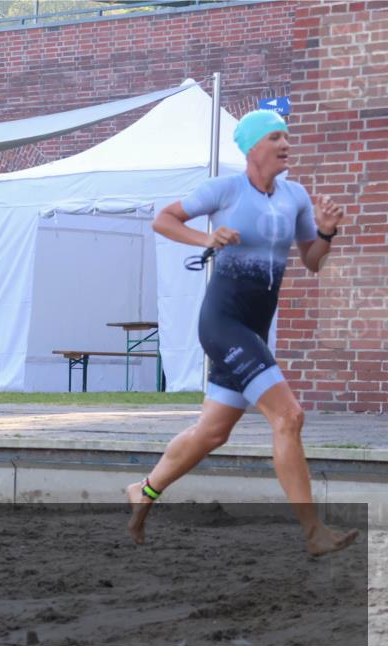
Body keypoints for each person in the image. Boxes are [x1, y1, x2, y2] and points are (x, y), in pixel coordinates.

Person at [127, 110, 359, 556]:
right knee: (289, 417)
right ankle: (314, 534)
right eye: (276, 136)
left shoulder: (295, 196)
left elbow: (312, 260)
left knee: (212, 433)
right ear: (253, 147)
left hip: (253, 328)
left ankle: (144, 490)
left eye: (287, 136)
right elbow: (165, 219)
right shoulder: (226, 188)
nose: (286, 143)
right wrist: (207, 240)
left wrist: (327, 231)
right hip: (223, 323)